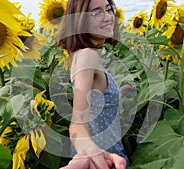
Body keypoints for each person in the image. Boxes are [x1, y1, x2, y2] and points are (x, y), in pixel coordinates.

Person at [57, 0, 133, 168]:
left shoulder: (82, 56)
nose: (108, 17)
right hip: (104, 158)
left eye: (108, 9)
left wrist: (120, 91)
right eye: (97, 12)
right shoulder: (87, 56)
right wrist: (91, 150)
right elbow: (77, 123)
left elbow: (94, 98)